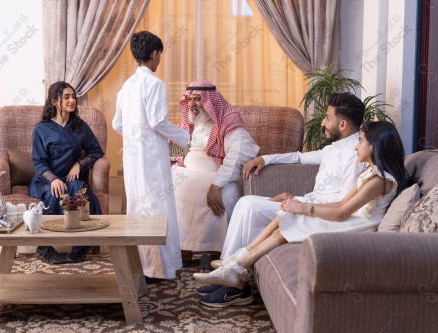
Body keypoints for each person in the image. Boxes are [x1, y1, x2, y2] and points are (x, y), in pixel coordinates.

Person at [194, 120, 413, 307]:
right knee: (284, 216)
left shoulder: (379, 180)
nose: (356, 146)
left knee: (291, 220)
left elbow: (342, 213)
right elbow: (340, 203)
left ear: (374, 147)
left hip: (359, 228)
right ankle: (236, 262)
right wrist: (300, 204)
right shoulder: (370, 173)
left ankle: (236, 266)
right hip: (351, 220)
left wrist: (306, 209)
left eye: (360, 140)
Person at [196, 92, 367, 306]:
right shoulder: (333, 149)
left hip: (318, 212)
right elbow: (298, 157)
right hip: (306, 202)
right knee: (247, 203)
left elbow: (344, 202)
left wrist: (302, 204)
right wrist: (264, 159)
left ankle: (235, 286)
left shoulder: (356, 154)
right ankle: (229, 276)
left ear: (342, 124)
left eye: (327, 118)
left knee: (250, 207)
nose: (323, 122)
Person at [112, 31, 190, 280]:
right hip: (152, 156)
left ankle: (142, 266)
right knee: (158, 209)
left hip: (133, 156)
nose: (159, 61)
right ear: (154, 54)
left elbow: (117, 123)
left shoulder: (126, 86)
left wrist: (135, 134)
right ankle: (161, 268)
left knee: (138, 206)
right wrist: (184, 137)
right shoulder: (155, 84)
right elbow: (157, 120)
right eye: (160, 56)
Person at [172, 80, 259, 272]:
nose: (193, 105)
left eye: (198, 99)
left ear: (211, 101)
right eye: (189, 99)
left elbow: (239, 153)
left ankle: (211, 250)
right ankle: (183, 245)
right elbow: (175, 149)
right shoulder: (190, 123)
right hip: (186, 172)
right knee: (166, 187)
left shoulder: (228, 120)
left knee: (227, 195)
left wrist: (216, 184)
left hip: (214, 175)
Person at [29, 81, 104, 264]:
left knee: (81, 191)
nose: (72, 100)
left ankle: (80, 246)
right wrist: (53, 179)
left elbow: (96, 152)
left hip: (70, 179)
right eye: (66, 97)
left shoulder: (80, 126)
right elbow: (38, 162)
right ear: (55, 101)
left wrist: (79, 164)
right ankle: (45, 247)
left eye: (73, 96)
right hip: (47, 180)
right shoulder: (41, 129)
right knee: (57, 193)